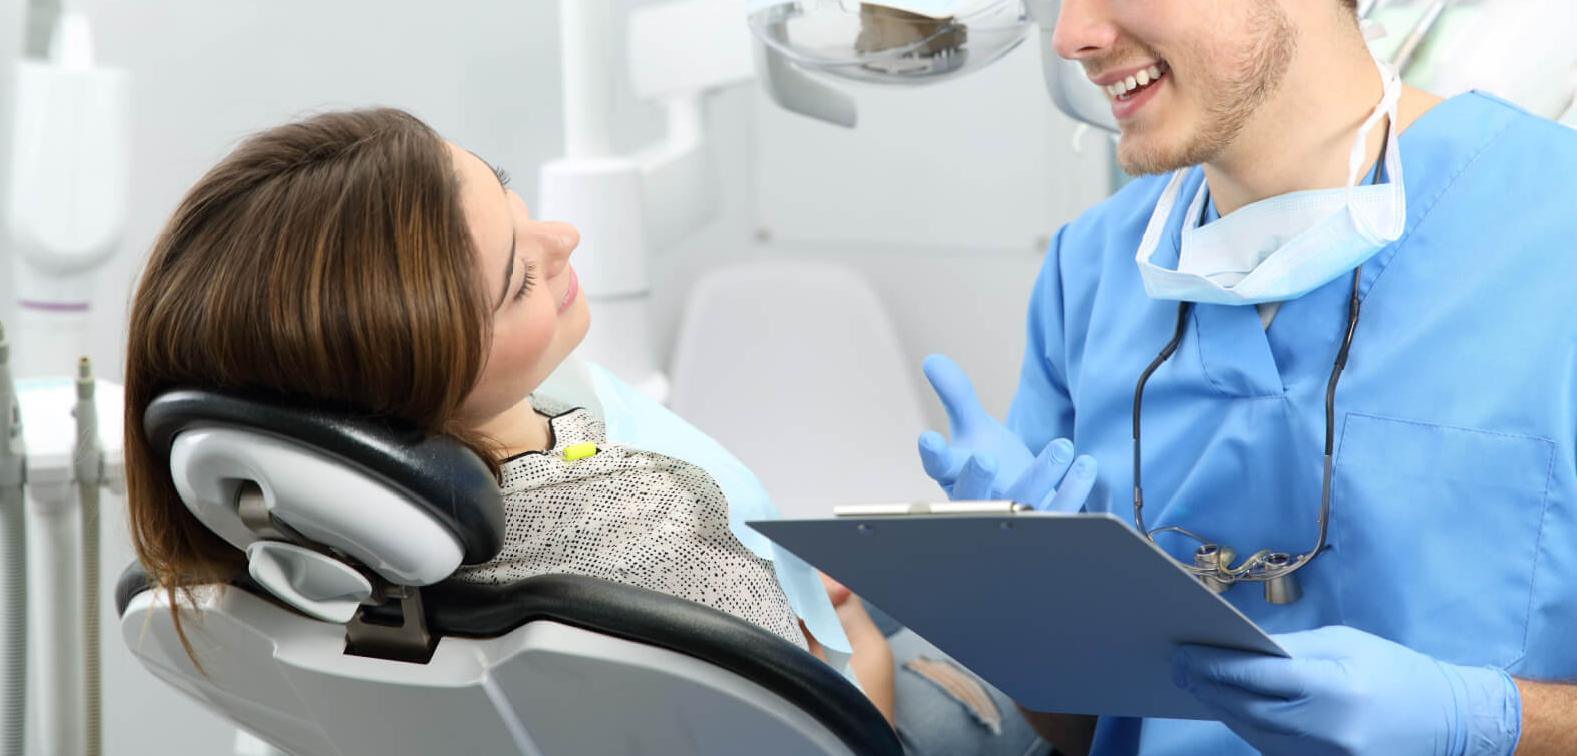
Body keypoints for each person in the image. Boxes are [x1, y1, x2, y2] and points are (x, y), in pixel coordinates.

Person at [916, 0, 1577, 756]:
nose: (1073, 32)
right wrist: (1014, 612)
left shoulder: (1554, 236)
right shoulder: (1090, 274)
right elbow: (1068, 728)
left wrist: (1488, 722)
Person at [122, 107, 1045, 756]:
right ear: (420, 378)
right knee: (1017, 628)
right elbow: (839, 726)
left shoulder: (287, 551)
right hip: (861, 713)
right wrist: (861, 646)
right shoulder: (648, 519)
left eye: (512, 200)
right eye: (517, 279)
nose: (559, 237)